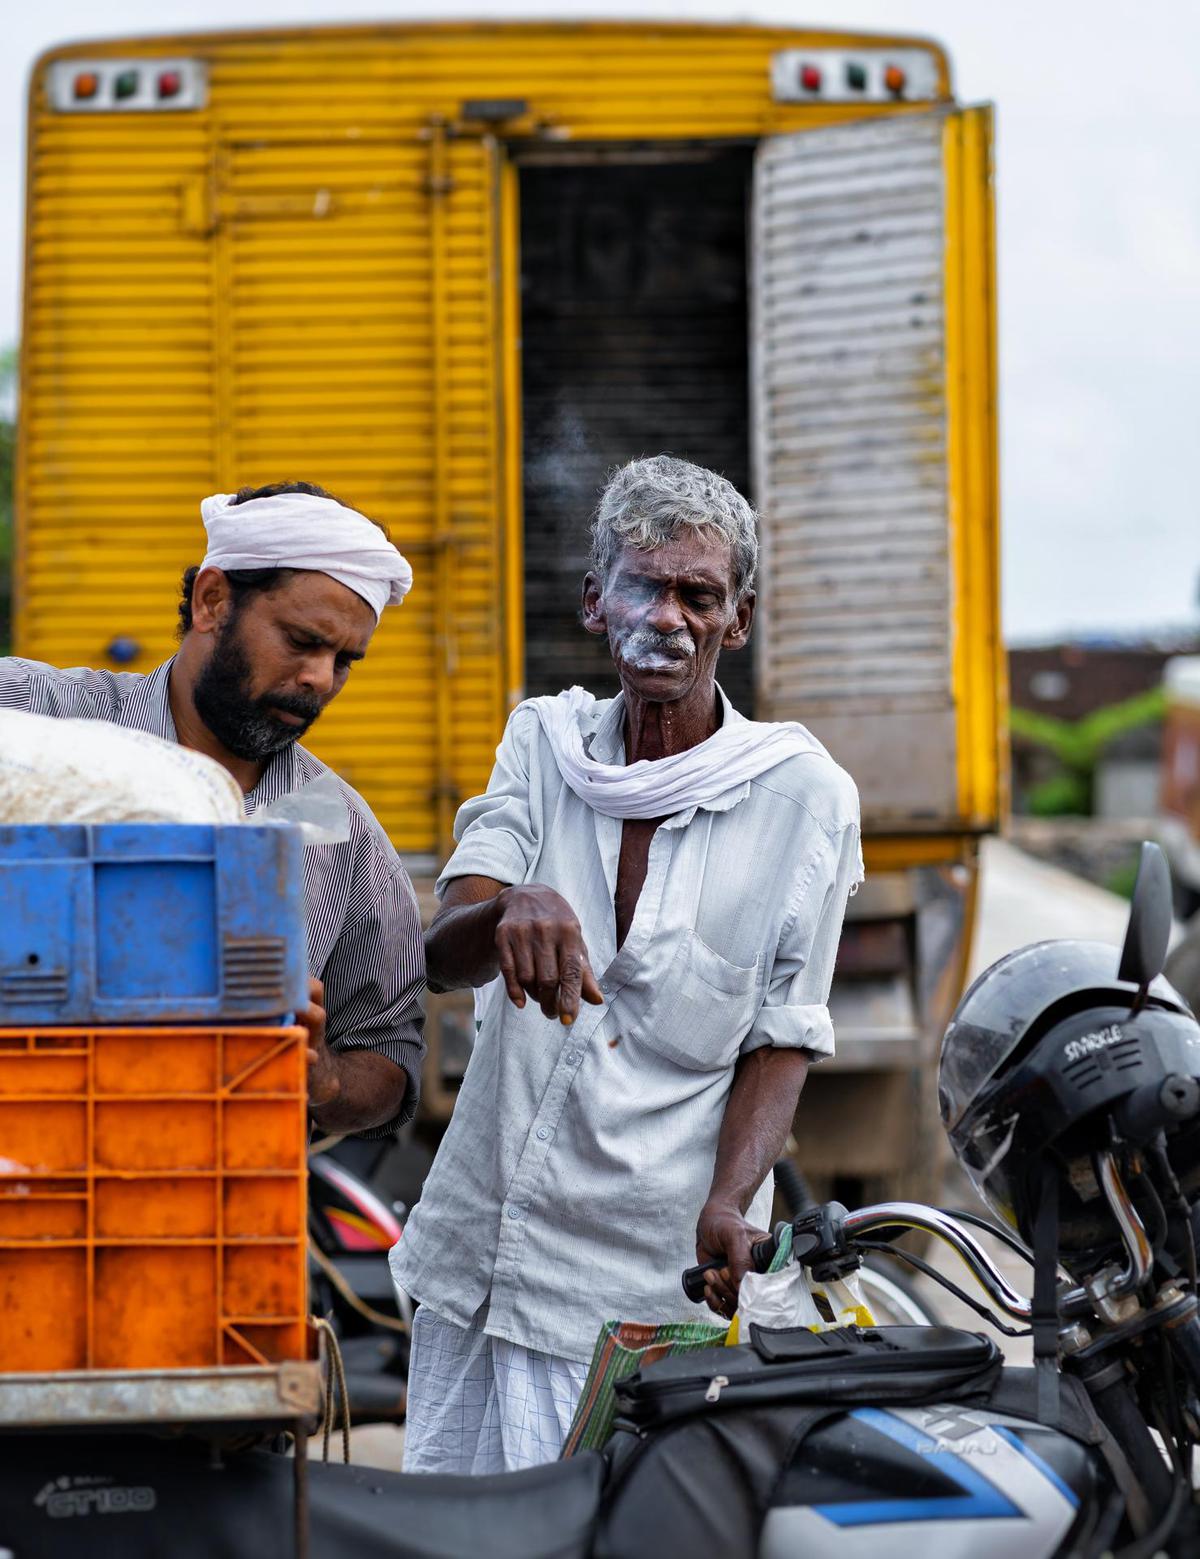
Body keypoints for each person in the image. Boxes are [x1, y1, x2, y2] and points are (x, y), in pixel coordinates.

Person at [392, 455, 862, 1473]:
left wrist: (732, 1199)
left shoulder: (804, 797)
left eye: (698, 593)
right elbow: (439, 953)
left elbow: (784, 1035)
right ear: (596, 601)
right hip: (488, 1258)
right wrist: (514, 904)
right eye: (644, 584)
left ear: (736, 619)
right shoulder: (543, 741)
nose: (669, 616)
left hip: (648, 1288)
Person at [0, 481, 424, 1136]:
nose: (319, 678)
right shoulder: (37, 712)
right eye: (301, 640)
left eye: (345, 660)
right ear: (213, 600)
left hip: (210, 1199)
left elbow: (391, 1057)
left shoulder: (347, 838)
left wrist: (326, 1075)